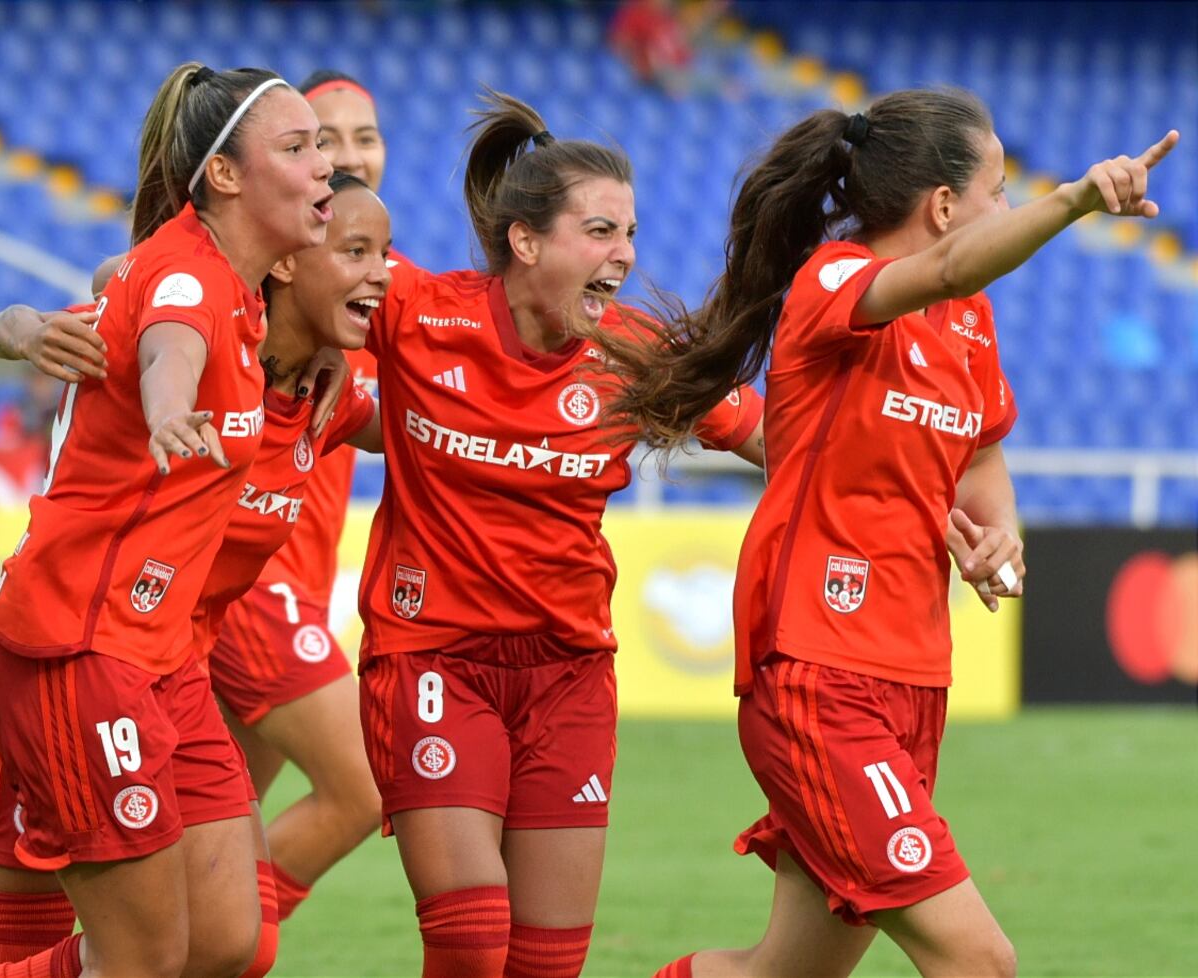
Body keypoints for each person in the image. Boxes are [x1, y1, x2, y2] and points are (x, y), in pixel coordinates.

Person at [586, 89, 1178, 978]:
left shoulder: (969, 322)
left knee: (782, 973)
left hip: (912, 677)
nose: (1006, 207)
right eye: (1000, 190)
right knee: (981, 961)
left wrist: (998, 534)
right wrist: (1076, 200)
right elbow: (944, 272)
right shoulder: (838, 279)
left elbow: (981, 453)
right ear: (943, 206)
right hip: (818, 675)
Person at [354, 89, 764, 978]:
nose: (623, 255)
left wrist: (942, 509)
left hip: (569, 677)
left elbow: (780, 442)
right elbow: (275, 290)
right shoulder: (418, 312)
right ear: (526, 241)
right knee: (468, 940)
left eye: (629, 234)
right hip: (434, 658)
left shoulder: (636, 351)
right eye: (600, 231)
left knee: (545, 965)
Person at [0, 61, 335, 978]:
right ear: (227, 176)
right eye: (299, 147)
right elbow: (171, 343)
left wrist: (13, 323)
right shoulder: (188, 283)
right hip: (75, 647)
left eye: (325, 145)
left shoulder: (238, 294)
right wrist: (171, 408)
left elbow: (99, 317)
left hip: (161, 658)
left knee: (225, 940)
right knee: (144, 959)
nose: (323, 166)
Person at [206, 69, 396, 923]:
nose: (350, 152)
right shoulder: (262, 272)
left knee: (205, 841)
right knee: (362, 787)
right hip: (255, 582)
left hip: (291, 586)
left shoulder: (382, 278)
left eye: (366, 134)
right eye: (326, 137)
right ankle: (225, 943)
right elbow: (135, 277)